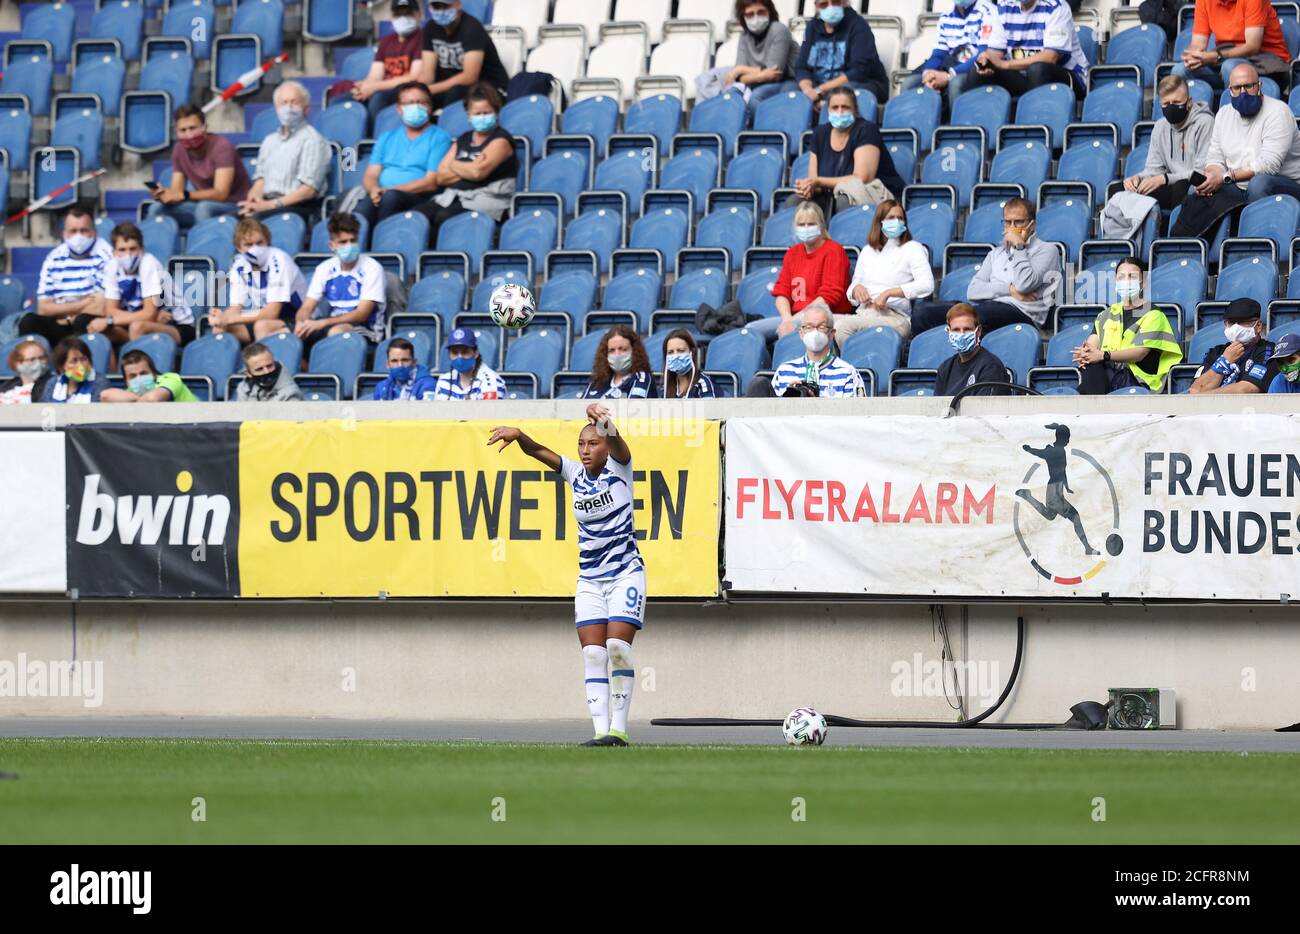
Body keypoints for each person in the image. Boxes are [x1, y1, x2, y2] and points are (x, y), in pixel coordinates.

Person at [487, 404, 646, 746]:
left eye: (593, 443)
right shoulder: (574, 474)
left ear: (605, 446)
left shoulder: (620, 469)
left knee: (617, 647)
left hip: (625, 574)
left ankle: (619, 731)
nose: (586, 450)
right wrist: (519, 436)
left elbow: (620, 444)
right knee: (593, 654)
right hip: (590, 579)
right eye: (582, 444)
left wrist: (604, 423)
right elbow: (540, 452)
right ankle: (600, 732)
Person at [911, 197, 1061, 332]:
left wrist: (1019, 248)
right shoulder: (996, 253)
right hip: (989, 308)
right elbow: (973, 291)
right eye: (1008, 222)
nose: (1012, 227)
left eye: (1019, 222)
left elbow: (1024, 285)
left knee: (974, 318)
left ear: (1032, 225)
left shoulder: (1048, 251)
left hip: (1023, 314)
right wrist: (1009, 289)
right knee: (923, 313)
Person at [1182, 62, 1300, 207]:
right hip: (1238, 185)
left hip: (1284, 184)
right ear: (1230, 90)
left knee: (1259, 184)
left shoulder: (1278, 112)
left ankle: (1256, 229)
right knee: (1195, 190)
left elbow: (1269, 165)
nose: (1243, 92)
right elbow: (1215, 158)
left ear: (1259, 86)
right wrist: (1212, 176)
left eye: (1249, 86)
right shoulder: (1223, 114)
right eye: (1237, 88)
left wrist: (1225, 177)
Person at [1072, 256, 1182, 394]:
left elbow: (1139, 353)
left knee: (1091, 376)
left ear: (1144, 282)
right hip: (1109, 377)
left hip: (1138, 381)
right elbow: (1092, 345)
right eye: (1121, 277)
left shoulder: (1153, 314)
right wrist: (1086, 354)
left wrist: (1103, 355)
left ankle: (1092, 408)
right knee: (1090, 365)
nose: (1126, 281)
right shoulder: (1106, 314)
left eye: (1132, 277)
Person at [281, 213, 387, 354]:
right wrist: (301, 321)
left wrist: (322, 323)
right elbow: (307, 306)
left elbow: (362, 314)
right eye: (343, 242)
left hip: (365, 330)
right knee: (272, 328)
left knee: (336, 333)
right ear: (332, 245)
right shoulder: (325, 268)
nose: (349, 246)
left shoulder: (372, 268)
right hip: (331, 322)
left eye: (353, 240)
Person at [355, 81, 454, 230]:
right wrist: (374, 189)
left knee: (390, 198)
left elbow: (431, 181)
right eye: (409, 103)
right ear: (399, 109)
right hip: (382, 194)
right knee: (363, 208)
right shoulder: (386, 137)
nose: (415, 107)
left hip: (418, 196)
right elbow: (371, 174)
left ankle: (384, 249)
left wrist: (391, 190)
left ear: (430, 107)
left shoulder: (440, 138)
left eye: (421, 102)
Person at [791, 87, 905, 215]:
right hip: (830, 195)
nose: (840, 112)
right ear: (828, 110)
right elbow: (814, 178)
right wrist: (808, 187)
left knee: (845, 198)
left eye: (845, 107)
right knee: (795, 201)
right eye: (835, 107)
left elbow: (862, 179)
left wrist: (818, 182)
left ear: (855, 110)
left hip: (873, 195)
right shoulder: (820, 133)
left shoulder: (866, 130)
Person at [748, 202, 851, 342]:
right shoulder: (792, 253)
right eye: (801, 225)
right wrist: (787, 319)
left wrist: (794, 321)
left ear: (821, 225)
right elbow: (782, 292)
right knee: (749, 331)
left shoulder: (834, 251)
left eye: (811, 224)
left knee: (787, 332)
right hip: (794, 316)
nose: (806, 228)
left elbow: (829, 295)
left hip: (824, 316)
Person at [427, 82, 517, 239]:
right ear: (468, 115)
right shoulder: (463, 139)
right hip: (454, 196)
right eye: (477, 113)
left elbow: (477, 173)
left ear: (496, 113)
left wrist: (452, 164)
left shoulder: (501, 140)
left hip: (487, 199)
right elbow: (440, 176)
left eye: (486, 113)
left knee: (445, 217)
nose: (482, 117)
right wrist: (468, 167)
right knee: (419, 216)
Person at [88, 223, 195, 349]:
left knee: (137, 327)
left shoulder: (149, 263)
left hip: (178, 326)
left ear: (142, 249)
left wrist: (110, 321)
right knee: (99, 330)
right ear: (114, 252)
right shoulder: (112, 266)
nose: (128, 255)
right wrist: (110, 320)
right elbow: (110, 311)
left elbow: (148, 314)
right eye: (122, 250)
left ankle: (138, 367)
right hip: (142, 322)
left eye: (133, 249)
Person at [239, 81, 333, 223]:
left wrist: (269, 205)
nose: (288, 108)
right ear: (276, 108)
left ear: (306, 109)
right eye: (283, 103)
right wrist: (255, 199)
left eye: (294, 102)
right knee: (231, 220)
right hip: (267, 204)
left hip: (297, 206)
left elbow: (308, 191)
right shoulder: (269, 141)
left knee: (251, 223)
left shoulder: (313, 140)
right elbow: (260, 179)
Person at [1116, 75, 1214, 210]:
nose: (1171, 107)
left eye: (1177, 102)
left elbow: (1201, 172)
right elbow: (1154, 169)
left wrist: (1165, 179)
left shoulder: (1204, 122)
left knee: (1181, 186)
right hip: (1171, 185)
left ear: (1189, 102)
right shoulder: (1160, 126)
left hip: (1196, 188)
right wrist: (1137, 179)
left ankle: (1172, 230)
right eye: (1166, 104)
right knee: (1119, 190)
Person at [17, 207, 113, 344]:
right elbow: (43, 308)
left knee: (83, 321)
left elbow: (100, 305)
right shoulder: (54, 258)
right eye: (73, 231)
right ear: (64, 234)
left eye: (84, 230)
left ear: (94, 232)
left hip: (86, 323)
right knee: (29, 322)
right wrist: (81, 305)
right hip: (61, 323)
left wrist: (65, 314)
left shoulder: (107, 255)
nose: (78, 236)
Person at [146, 105, 250, 230]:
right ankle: (152, 249)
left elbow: (221, 194)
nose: (189, 135)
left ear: (204, 127)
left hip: (236, 206)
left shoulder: (222, 147)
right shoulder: (179, 150)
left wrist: (184, 195)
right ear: (177, 132)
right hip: (202, 205)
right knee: (156, 209)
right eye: (183, 130)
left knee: (204, 207)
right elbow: (177, 192)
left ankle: (204, 249)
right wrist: (165, 195)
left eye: (192, 128)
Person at [843, 200, 933, 341]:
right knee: (821, 322)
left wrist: (889, 293)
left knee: (843, 326)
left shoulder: (913, 248)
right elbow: (854, 285)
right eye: (891, 218)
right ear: (880, 222)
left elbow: (927, 285)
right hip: (865, 313)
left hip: (895, 317)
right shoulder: (867, 251)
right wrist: (856, 290)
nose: (896, 221)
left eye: (900, 218)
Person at [211, 219, 308, 344]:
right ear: (239, 248)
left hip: (300, 319)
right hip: (270, 319)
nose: (255, 249)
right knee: (221, 330)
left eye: (259, 243)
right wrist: (221, 318)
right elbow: (236, 307)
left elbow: (272, 313)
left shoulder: (279, 260)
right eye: (248, 245)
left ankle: (271, 363)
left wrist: (231, 319)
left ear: (267, 241)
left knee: (262, 326)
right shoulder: (239, 265)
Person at [969, 0, 1090, 98]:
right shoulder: (1003, 8)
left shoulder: (1057, 7)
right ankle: (984, 125)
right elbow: (995, 52)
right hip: (1024, 77)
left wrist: (1004, 64)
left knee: (1038, 69)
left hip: (1070, 77)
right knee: (977, 72)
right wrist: (988, 60)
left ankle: (1034, 123)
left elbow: (1050, 57)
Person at [1017, 424, 1100, 556]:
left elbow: (1063, 470)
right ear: (1062, 438)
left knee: (1050, 515)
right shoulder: (1056, 451)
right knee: (1075, 517)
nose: (1068, 441)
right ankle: (1087, 548)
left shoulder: (1060, 451)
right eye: (1067, 438)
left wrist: (1066, 486)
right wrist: (1029, 449)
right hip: (1054, 490)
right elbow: (1040, 453)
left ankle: (1028, 496)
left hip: (1056, 489)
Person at [900, 0, 999, 109]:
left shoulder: (988, 11)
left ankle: (957, 125)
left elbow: (984, 55)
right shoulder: (946, 15)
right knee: (910, 83)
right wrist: (928, 75)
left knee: (956, 84)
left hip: (975, 70)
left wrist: (949, 75)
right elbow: (939, 54)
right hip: (950, 66)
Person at [1174, 0, 1290, 92]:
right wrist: (1192, 56)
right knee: (1179, 70)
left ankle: (1234, 116)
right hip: (1225, 59)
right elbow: (1197, 44)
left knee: (1230, 67)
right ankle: (1199, 119)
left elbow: (1252, 46)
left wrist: (1216, 55)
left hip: (1267, 63)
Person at [758, 304, 867, 397]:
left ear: (832, 334)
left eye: (821, 327)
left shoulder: (848, 373)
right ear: (801, 333)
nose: (815, 332)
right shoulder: (784, 371)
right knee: (759, 384)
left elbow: (855, 416)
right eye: (809, 327)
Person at [795, 0, 890, 107]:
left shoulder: (858, 26)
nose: (830, 7)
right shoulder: (812, 27)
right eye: (824, 4)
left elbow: (859, 71)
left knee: (842, 94)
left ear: (844, 2)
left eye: (835, 2)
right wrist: (808, 91)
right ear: (816, 6)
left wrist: (820, 91)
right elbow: (801, 67)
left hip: (860, 84)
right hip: (819, 86)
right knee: (791, 92)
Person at [421, 0, 511, 111]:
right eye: (436, 7)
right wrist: (419, 91)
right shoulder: (430, 28)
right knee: (412, 97)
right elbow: (427, 74)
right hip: (451, 87)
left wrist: (430, 89)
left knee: (454, 93)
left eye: (445, 6)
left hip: (488, 86)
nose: (441, 11)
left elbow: (469, 77)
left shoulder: (472, 27)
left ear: (458, 4)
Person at [351, 0, 426, 126]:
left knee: (378, 99)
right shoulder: (386, 41)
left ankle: (373, 141)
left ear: (418, 15)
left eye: (407, 14)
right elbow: (375, 75)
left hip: (406, 89)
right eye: (398, 14)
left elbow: (414, 77)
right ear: (391, 17)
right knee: (342, 100)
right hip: (383, 87)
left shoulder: (423, 39)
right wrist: (363, 88)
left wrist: (374, 87)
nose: (403, 18)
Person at [1189, 297, 1278, 394]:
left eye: (1243, 322)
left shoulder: (1268, 351)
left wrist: (1203, 396)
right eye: (1231, 322)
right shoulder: (1216, 352)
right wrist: (1223, 363)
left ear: (1258, 326)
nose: (1236, 328)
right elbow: (1195, 390)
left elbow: (1245, 390)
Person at [728, 0, 800, 117]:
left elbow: (775, 72)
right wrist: (760, 75)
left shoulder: (779, 29)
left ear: (769, 12)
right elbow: (739, 78)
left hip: (789, 81)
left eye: (761, 12)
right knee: (731, 98)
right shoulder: (744, 36)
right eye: (750, 14)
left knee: (756, 99)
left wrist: (741, 69)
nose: (756, 17)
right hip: (758, 84)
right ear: (743, 17)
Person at [933, 303, 1012, 396]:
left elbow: (985, 408)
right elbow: (937, 406)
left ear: (978, 331)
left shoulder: (991, 367)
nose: (961, 334)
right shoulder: (945, 368)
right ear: (949, 332)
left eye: (967, 329)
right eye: (956, 330)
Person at [583, 326, 659, 399]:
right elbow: (580, 407)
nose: (617, 355)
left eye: (623, 349)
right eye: (612, 350)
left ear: (635, 351)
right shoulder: (597, 382)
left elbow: (632, 408)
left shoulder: (642, 378)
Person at [431, 328, 506, 400]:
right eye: (454, 352)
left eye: (465, 352)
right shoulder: (444, 381)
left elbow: (491, 412)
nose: (459, 357)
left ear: (476, 353)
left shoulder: (491, 381)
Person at [101, 349, 199, 403]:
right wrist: (137, 398)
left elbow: (152, 399)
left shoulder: (171, 379)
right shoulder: (131, 391)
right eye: (133, 376)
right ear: (126, 381)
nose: (139, 379)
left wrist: (132, 401)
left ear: (154, 374)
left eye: (143, 373)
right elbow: (105, 396)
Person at [40, 337, 106, 404]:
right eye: (74, 361)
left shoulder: (99, 383)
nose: (80, 365)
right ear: (61, 367)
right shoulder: (53, 383)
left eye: (84, 359)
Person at [234, 341, 303, 402]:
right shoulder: (244, 388)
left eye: (269, 366)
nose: (267, 371)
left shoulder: (291, 392)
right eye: (259, 369)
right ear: (248, 373)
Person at [372, 337, 438, 400]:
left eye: (405, 360)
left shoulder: (428, 385)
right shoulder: (381, 387)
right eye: (394, 361)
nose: (400, 365)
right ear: (387, 364)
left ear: (414, 362)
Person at [660, 330, 717, 399]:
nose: (675, 356)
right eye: (670, 352)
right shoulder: (665, 387)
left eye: (681, 351)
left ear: (692, 352)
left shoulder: (704, 383)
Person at [0, 338, 51, 405]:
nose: (38, 363)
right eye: (32, 359)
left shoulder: (53, 385)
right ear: (17, 363)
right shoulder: (5, 387)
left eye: (42, 358)